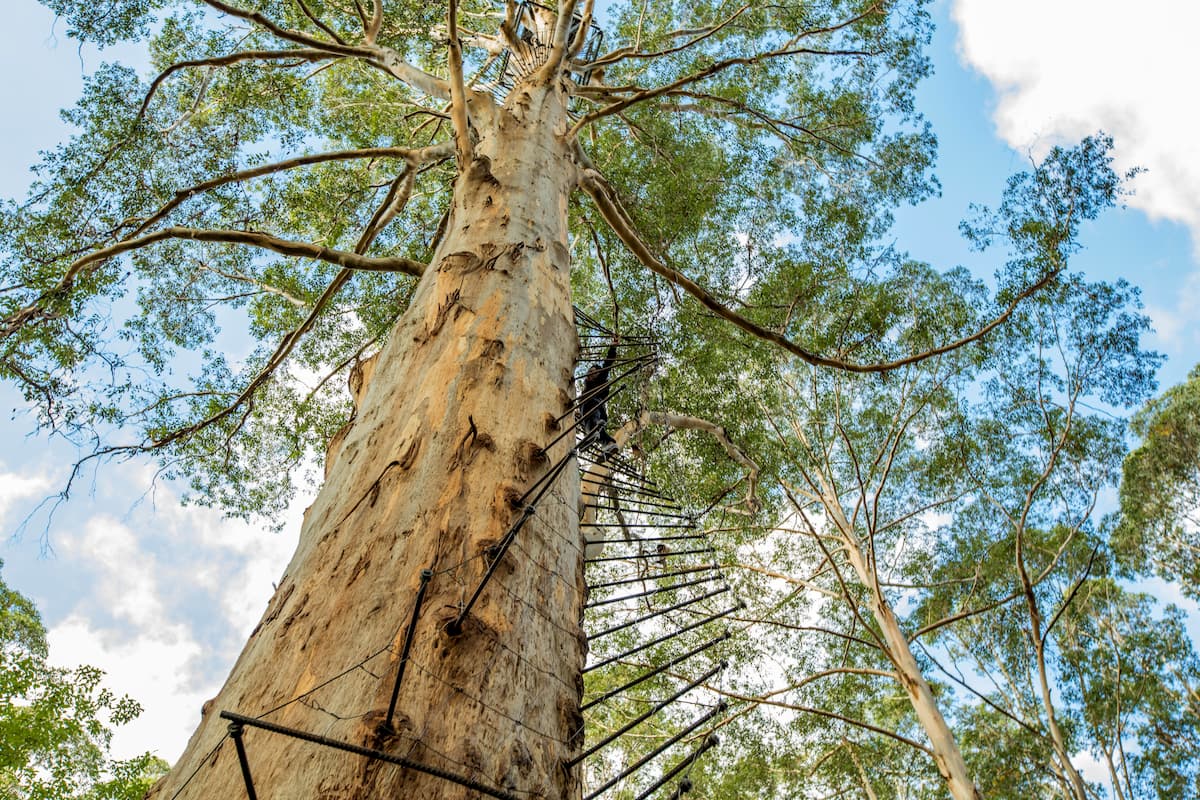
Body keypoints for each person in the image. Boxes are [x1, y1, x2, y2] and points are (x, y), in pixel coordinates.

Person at [580, 339, 619, 458]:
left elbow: (607, 365)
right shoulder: (585, 390)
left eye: (594, 372)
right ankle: (609, 443)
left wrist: (612, 348)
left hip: (594, 407)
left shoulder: (600, 380)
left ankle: (592, 432)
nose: (590, 373)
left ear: (599, 373)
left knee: (592, 425)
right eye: (589, 372)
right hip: (594, 414)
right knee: (597, 431)